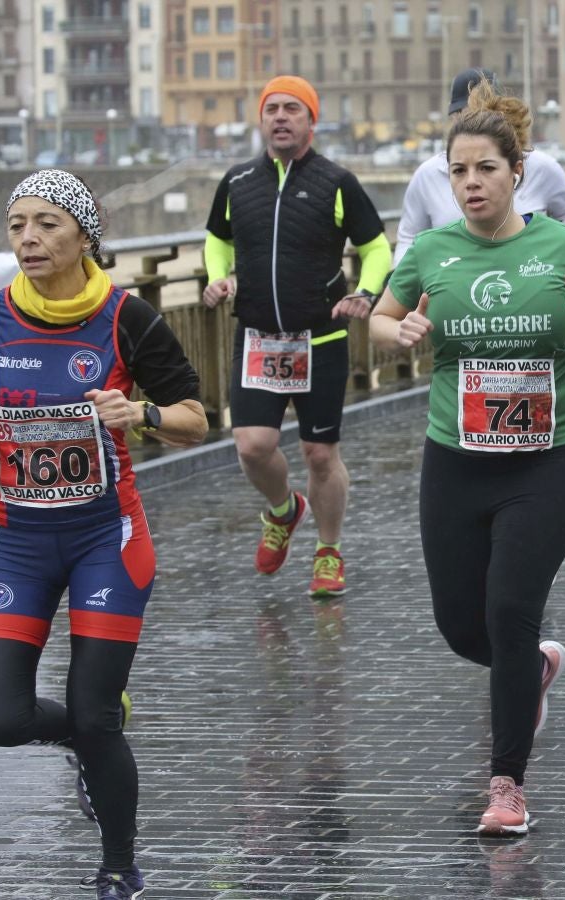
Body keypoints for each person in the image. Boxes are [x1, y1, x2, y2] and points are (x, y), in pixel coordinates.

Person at [368, 81, 565, 834]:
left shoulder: (560, 244)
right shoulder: (433, 253)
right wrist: (400, 336)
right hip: (456, 460)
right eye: (459, 171)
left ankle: (507, 786)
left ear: (518, 172)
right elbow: (383, 320)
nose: (472, 183)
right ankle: (532, 669)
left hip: (548, 462)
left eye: (486, 169)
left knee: (511, 609)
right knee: (462, 627)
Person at [0, 169, 208, 898]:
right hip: (15, 542)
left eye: (47, 223)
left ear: (85, 235)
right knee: (2, 715)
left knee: (97, 713)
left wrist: (140, 415)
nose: (28, 236)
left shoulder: (127, 318)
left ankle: (119, 863)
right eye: (17, 222)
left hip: (104, 541)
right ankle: (78, 739)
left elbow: (196, 420)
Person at [202, 75, 391, 597]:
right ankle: (284, 511)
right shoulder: (238, 182)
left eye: (292, 109)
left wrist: (367, 292)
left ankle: (328, 551)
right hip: (259, 337)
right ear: (260, 120)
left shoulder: (336, 181)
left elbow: (376, 247)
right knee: (253, 446)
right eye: (272, 110)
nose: (280, 117)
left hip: (321, 337)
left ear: (312, 119)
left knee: (319, 453)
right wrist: (217, 275)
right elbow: (216, 239)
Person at [393, 68, 565, 266]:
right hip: (453, 289)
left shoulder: (541, 166)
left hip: (527, 283)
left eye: (488, 168)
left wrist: (560, 261)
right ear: (453, 119)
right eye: (458, 171)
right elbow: (409, 237)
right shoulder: (427, 175)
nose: (474, 122)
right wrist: (401, 281)